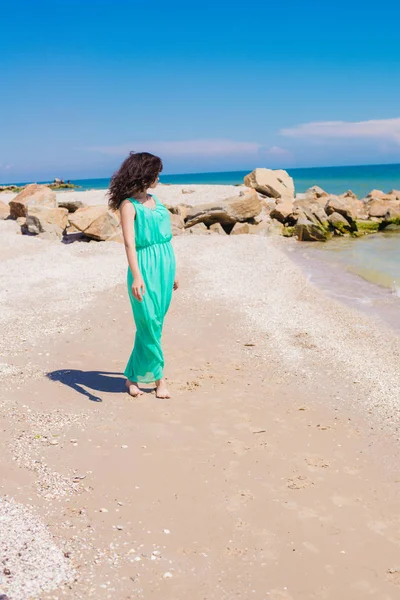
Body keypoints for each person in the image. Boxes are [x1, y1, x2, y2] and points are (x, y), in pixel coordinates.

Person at [108, 151, 178, 399]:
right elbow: (129, 243)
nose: (158, 177)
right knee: (148, 323)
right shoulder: (128, 205)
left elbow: (165, 237)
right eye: (156, 172)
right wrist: (137, 277)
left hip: (165, 265)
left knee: (154, 325)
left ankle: (132, 377)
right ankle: (160, 381)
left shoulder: (155, 200)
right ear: (145, 174)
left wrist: (173, 272)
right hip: (144, 266)